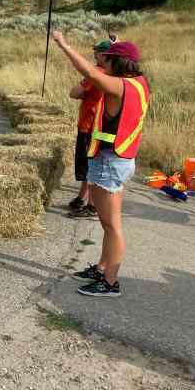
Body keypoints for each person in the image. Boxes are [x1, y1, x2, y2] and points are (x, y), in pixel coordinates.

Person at [53, 31, 150, 298]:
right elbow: (113, 62)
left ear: (118, 65)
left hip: (111, 161)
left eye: (107, 61)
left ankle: (110, 282)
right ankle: (102, 268)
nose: (102, 64)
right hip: (113, 159)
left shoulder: (120, 86)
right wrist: (116, 42)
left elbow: (93, 76)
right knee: (108, 224)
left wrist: (64, 46)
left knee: (112, 225)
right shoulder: (138, 82)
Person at [67, 40, 112, 218]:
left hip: (90, 125)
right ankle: (82, 198)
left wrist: (84, 92)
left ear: (104, 55)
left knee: (90, 165)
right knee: (90, 164)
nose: (94, 55)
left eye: (97, 53)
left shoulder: (97, 73)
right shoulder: (112, 73)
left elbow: (74, 92)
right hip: (97, 125)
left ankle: (92, 206)